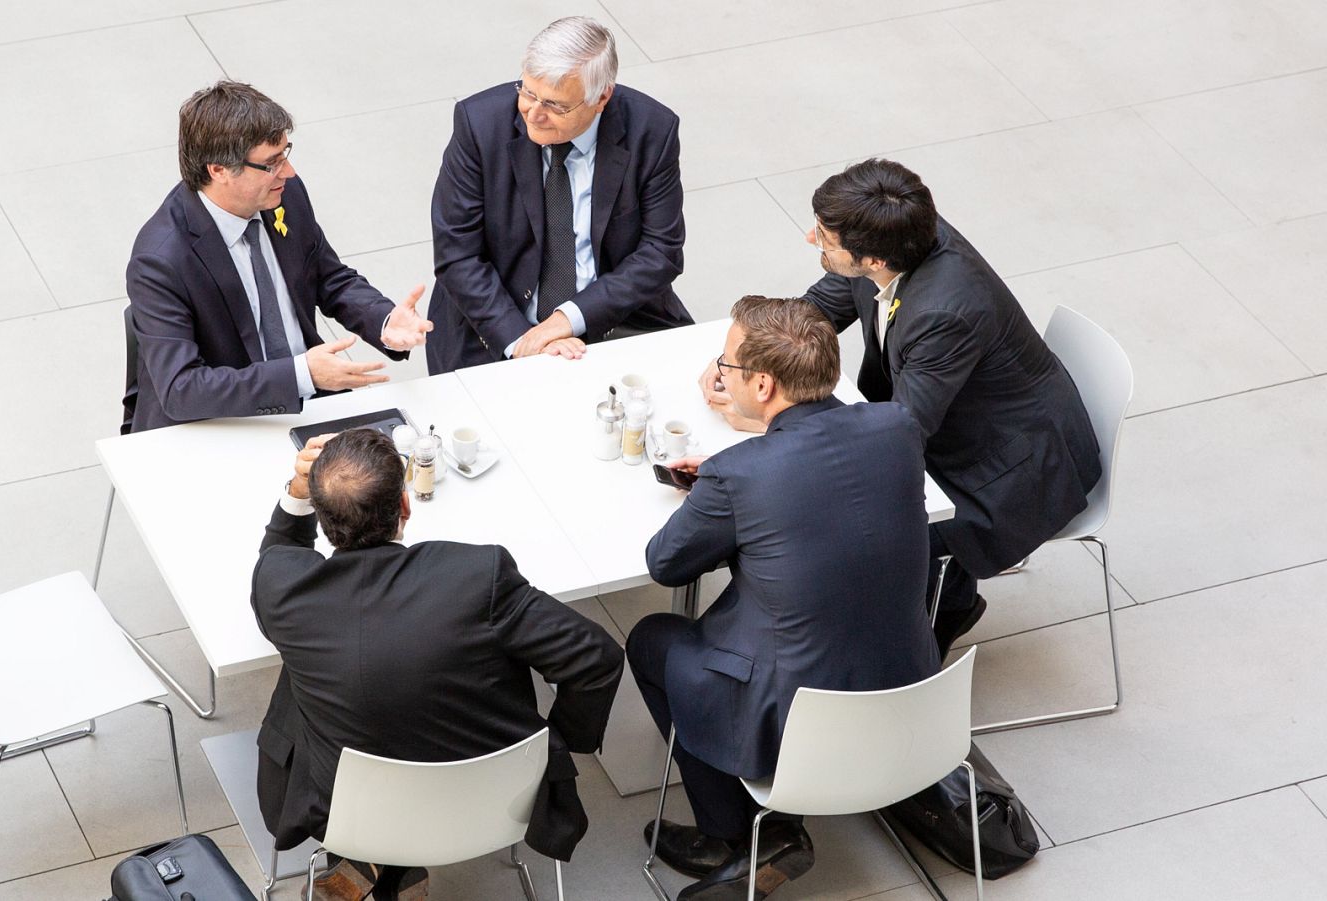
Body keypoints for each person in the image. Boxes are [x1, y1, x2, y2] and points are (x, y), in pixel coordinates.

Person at [698, 159, 1101, 656]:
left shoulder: (944, 312)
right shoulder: (898, 234)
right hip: (964, 425)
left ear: (872, 260)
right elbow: (820, 309)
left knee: (848, 528)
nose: (810, 239)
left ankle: (939, 611)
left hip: (1008, 472)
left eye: (823, 236)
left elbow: (899, 434)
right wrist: (745, 361)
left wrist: (775, 421)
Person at [634, 296, 939, 900]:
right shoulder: (897, 426)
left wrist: (722, 486)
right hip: (915, 694)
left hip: (797, 719)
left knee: (651, 640)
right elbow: (822, 468)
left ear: (764, 383)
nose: (720, 375)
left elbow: (665, 563)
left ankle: (741, 835)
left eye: (726, 366)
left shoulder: (739, 474)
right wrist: (750, 457)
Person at [251, 429, 625, 900]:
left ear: (324, 523)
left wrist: (296, 496)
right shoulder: (476, 575)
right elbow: (598, 658)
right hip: (495, 802)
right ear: (404, 506)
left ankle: (372, 862)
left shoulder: (282, 589)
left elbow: (278, 557)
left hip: (346, 812)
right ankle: (393, 865)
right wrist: (560, 741)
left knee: (302, 669)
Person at [125, 81, 433, 433]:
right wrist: (301, 374)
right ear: (219, 170)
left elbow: (328, 277)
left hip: (308, 401)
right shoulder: (160, 260)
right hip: (216, 424)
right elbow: (182, 389)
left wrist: (384, 321)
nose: (288, 172)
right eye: (271, 163)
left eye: (286, 153)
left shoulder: (283, 195)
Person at [426, 16, 693, 374]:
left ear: (601, 97)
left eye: (556, 105)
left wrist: (567, 320)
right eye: (527, 92)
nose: (534, 115)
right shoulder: (478, 124)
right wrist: (525, 342)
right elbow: (457, 254)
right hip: (495, 326)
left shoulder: (652, 130)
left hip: (613, 319)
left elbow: (661, 252)